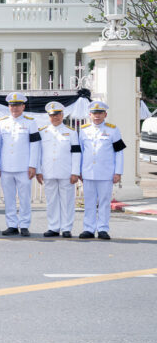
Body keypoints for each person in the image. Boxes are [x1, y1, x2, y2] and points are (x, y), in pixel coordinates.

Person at [79, 100, 124, 240]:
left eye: (100, 113)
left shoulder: (113, 129)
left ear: (105, 114)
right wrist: (79, 170)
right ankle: (88, 228)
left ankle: (103, 229)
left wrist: (118, 171)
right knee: (89, 202)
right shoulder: (83, 130)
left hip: (106, 172)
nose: (97, 116)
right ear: (89, 115)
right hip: (88, 172)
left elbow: (119, 152)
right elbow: (80, 152)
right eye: (94, 113)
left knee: (104, 202)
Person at [0, 92, 41, 236]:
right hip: (6, 166)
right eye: (12, 105)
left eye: (17, 105)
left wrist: (33, 165)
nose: (14, 108)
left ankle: (24, 225)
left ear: (23, 106)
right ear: (8, 107)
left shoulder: (30, 122)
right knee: (9, 197)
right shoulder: (2, 122)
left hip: (24, 167)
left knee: (24, 198)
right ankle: (11, 224)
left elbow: (35, 145)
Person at [37, 101, 80, 238]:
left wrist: (75, 172)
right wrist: (39, 170)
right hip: (48, 171)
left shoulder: (71, 132)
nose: (55, 117)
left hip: (66, 172)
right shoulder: (43, 132)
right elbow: (38, 153)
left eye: (57, 115)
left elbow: (76, 153)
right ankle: (53, 227)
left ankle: (66, 228)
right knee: (51, 201)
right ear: (48, 116)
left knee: (67, 201)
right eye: (52, 115)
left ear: (62, 115)